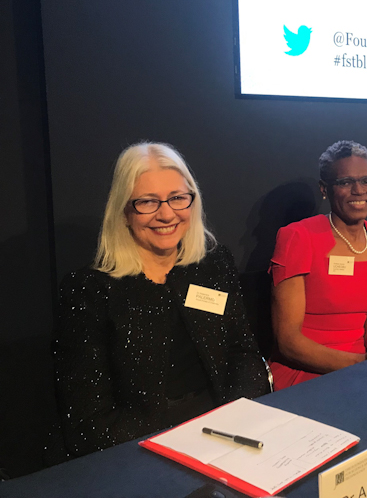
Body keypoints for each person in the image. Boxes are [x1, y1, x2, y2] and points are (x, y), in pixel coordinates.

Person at [53, 143, 268, 459]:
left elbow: (244, 353)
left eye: (178, 198)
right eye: (148, 202)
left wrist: (237, 420)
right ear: (124, 211)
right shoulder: (88, 290)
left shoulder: (214, 265)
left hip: (224, 429)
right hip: (140, 448)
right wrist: (175, 446)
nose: (166, 214)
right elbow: (88, 419)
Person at [270, 141, 367, 390]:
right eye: (344, 182)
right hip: (305, 372)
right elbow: (288, 341)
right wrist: (361, 363)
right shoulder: (297, 237)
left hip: (366, 366)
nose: (358, 190)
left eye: (366, 180)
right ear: (325, 189)